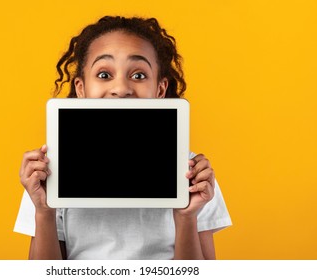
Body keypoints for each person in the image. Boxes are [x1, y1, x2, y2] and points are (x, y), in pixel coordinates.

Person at [14, 16, 232, 260]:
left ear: (160, 90)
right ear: (81, 89)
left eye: (138, 76)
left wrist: (186, 216)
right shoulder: (50, 171)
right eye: (104, 75)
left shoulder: (191, 173)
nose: (121, 88)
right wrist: (43, 211)